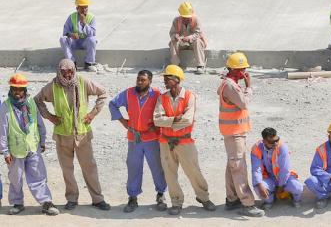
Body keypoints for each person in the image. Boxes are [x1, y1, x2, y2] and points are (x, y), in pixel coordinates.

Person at [34, 59, 109, 211]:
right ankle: (72, 198)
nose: (67, 74)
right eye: (64, 71)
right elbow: (37, 100)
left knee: (89, 167)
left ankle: (97, 199)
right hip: (63, 135)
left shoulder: (82, 81)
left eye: (70, 71)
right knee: (67, 169)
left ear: (74, 70)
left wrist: (92, 114)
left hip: (82, 134)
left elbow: (103, 93)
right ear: (59, 71)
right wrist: (50, 116)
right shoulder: (53, 85)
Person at [153, 65, 216, 215]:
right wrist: (175, 119)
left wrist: (168, 122)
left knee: (193, 171)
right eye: (164, 78)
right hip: (166, 142)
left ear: (177, 80)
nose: (165, 81)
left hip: (184, 141)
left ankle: (204, 197)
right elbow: (157, 120)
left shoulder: (189, 96)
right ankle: (176, 202)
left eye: (167, 78)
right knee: (169, 173)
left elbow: (187, 120)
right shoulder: (162, 98)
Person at [107, 70, 167, 213]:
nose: (139, 82)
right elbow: (112, 104)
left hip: (152, 138)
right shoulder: (128, 93)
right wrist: (122, 121)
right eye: (138, 79)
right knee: (134, 168)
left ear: (150, 81)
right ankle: (132, 198)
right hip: (134, 139)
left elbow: (165, 111)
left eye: (143, 80)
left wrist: (158, 124)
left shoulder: (157, 94)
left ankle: (161, 195)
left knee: (157, 167)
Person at [1, 73, 60, 215]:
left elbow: (39, 123)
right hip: (15, 150)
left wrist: (43, 140)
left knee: (38, 175)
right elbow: (2, 130)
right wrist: (5, 151)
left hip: (33, 147)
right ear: (11, 89)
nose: (17, 92)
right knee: (15, 177)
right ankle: (17, 203)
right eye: (14, 89)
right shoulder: (5, 106)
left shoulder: (31, 103)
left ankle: (46, 202)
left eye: (20, 89)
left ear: (24, 90)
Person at [218, 52, 263, 217]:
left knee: (233, 165)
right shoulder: (230, 85)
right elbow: (243, 103)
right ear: (235, 70)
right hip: (234, 133)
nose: (245, 72)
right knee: (239, 167)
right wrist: (249, 86)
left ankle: (232, 199)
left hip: (234, 132)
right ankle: (247, 202)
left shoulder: (230, 83)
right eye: (242, 69)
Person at [251, 127, 303, 210]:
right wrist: (260, 184)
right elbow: (256, 169)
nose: (275, 143)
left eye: (277, 140)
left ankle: (295, 198)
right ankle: (270, 200)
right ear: (264, 141)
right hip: (268, 177)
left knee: (297, 187)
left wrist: (281, 186)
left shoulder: (282, 147)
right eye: (272, 142)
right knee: (258, 187)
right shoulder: (256, 148)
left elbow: (285, 169)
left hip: (283, 177)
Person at [60, 0, 99, 72]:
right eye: (82, 7)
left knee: (92, 39)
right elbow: (65, 32)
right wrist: (71, 35)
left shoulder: (91, 18)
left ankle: (89, 63)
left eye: (86, 7)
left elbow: (93, 33)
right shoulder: (72, 17)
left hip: (85, 42)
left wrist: (84, 23)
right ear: (77, 8)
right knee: (63, 39)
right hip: (74, 42)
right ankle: (72, 63)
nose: (84, 9)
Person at [168, 2, 208, 73]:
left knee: (198, 41)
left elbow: (198, 33)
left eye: (188, 17)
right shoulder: (176, 21)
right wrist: (175, 36)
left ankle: (200, 66)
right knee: (173, 42)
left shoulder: (196, 20)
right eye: (184, 17)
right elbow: (172, 33)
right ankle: (176, 65)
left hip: (193, 43)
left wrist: (189, 38)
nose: (186, 19)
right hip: (181, 43)